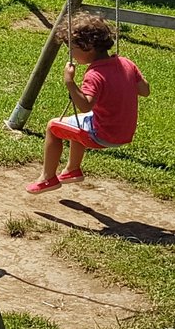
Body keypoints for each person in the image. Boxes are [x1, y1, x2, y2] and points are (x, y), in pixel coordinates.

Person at [26, 12, 149, 193]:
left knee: (53, 126)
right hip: (124, 133)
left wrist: (69, 82)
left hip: (102, 135)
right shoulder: (126, 63)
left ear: (88, 47)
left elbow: (85, 105)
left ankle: (47, 177)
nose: (71, 54)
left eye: (72, 49)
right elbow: (145, 91)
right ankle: (72, 169)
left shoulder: (94, 75)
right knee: (79, 121)